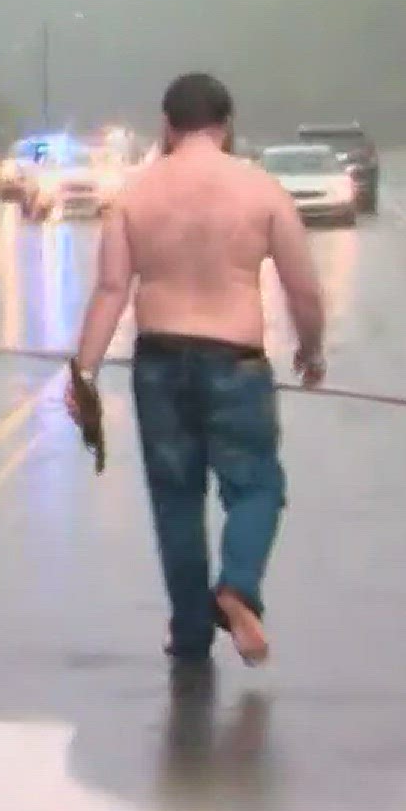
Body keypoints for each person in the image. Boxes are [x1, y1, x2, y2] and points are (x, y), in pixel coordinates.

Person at [65, 73, 326, 667]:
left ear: (167, 125)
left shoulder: (136, 193)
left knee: (175, 500)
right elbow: (302, 289)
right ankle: (236, 587)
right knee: (257, 484)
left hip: (158, 362)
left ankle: (189, 634)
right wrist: (311, 351)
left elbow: (110, 290)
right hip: (235, 364)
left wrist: (81, 374)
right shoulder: (261, 190)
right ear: (226, 125)